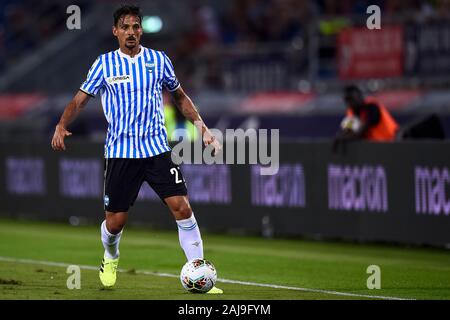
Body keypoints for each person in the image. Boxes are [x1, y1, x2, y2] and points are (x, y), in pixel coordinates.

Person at [51, 5, 223, 294]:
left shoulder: (158, 60)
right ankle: (111, 256)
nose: (131, 32)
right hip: (121, 153)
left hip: (157, 149)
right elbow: (80, 100)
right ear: (115, 31)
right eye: (125, 27)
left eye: (135, 27)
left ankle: (200, 273)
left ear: (141, 30)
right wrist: (61, 124)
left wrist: (202, 127)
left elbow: (179, 97)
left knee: (182, 208)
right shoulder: (104, 64)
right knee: (115, 223)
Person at [333, 85, 399, 152]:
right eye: (347, 100)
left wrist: (347, 137)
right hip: (375, 149)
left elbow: (362, 130)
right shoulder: (351, 113)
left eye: (352, 99)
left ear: (360, 96)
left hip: (392, 143)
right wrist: (341, 135)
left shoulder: (372, 107)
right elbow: (347, 129)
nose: (350, 103)